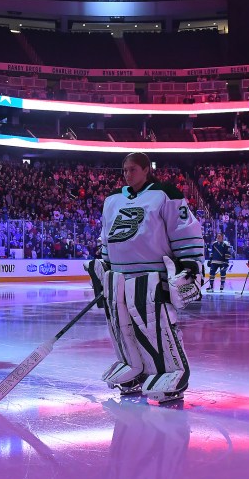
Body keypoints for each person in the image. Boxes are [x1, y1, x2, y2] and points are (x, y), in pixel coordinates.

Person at [87, 152, 204, 403]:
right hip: (117, 275)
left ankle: (171, 371)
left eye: (132, 169)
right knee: (121, 327)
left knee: (153, 325)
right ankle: (132, 367)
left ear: (145, 170)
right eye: (124, 170)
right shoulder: (112, 199)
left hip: (151, 274)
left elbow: (184, 229)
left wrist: (190, 264)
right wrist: (104, 263)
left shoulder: (165, 194)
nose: (127, 174)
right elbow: (107, 235)